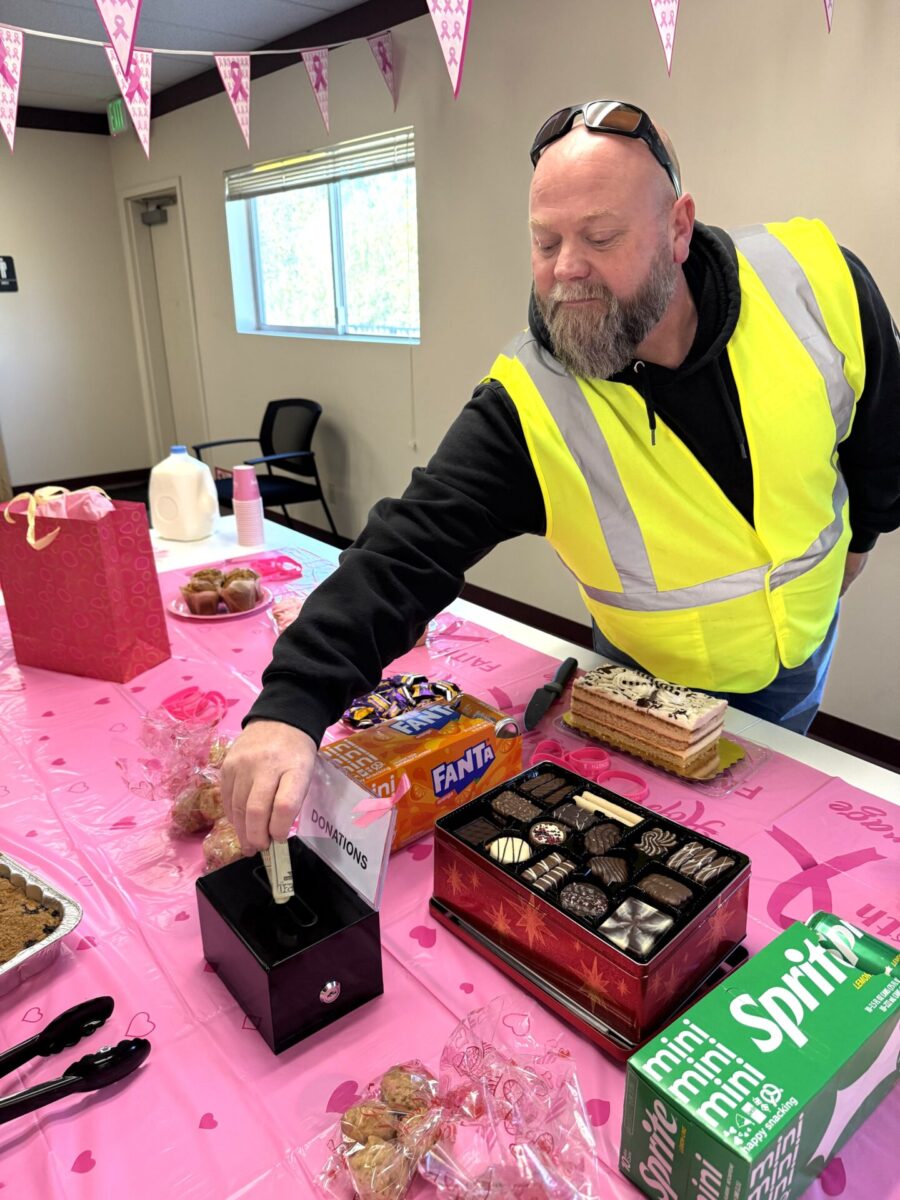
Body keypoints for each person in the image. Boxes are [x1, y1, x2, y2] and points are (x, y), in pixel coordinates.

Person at [222, 100, 900, 854]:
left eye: (600, 237)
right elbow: (407, 548)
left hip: (802, 656)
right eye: (545, 242)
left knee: (780, 852)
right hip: (647, 686)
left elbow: (881, 431)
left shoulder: (814, 280)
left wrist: (863, 534)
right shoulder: (529, 401)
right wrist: (292, 703)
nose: (566, 268)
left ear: (678, 228)